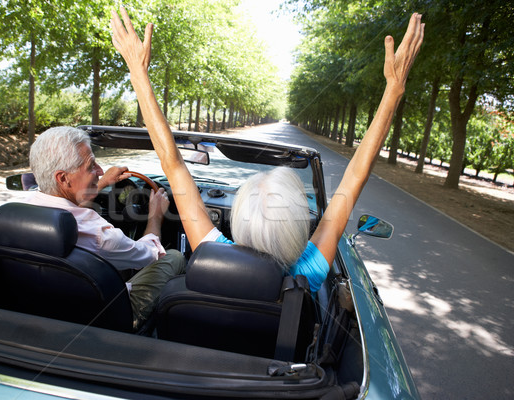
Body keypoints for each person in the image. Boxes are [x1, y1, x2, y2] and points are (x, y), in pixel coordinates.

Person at [109, 8, 424, 295]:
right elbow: (356, 174)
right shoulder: (309, 272)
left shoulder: (209, 251)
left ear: (239, 225)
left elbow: (172, 163)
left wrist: (138, 73)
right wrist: (394, 88)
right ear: (298, 232)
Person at [26, 126, 185, 331]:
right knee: (174, 257)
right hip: (104, 318)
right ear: (63, 178)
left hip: (46, 307)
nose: (100, 171)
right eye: (91, 166)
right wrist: (155, 216)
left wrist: (100, 184)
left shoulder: (21, 212)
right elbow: (149, 255)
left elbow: (68, 207)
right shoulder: (100, 236)